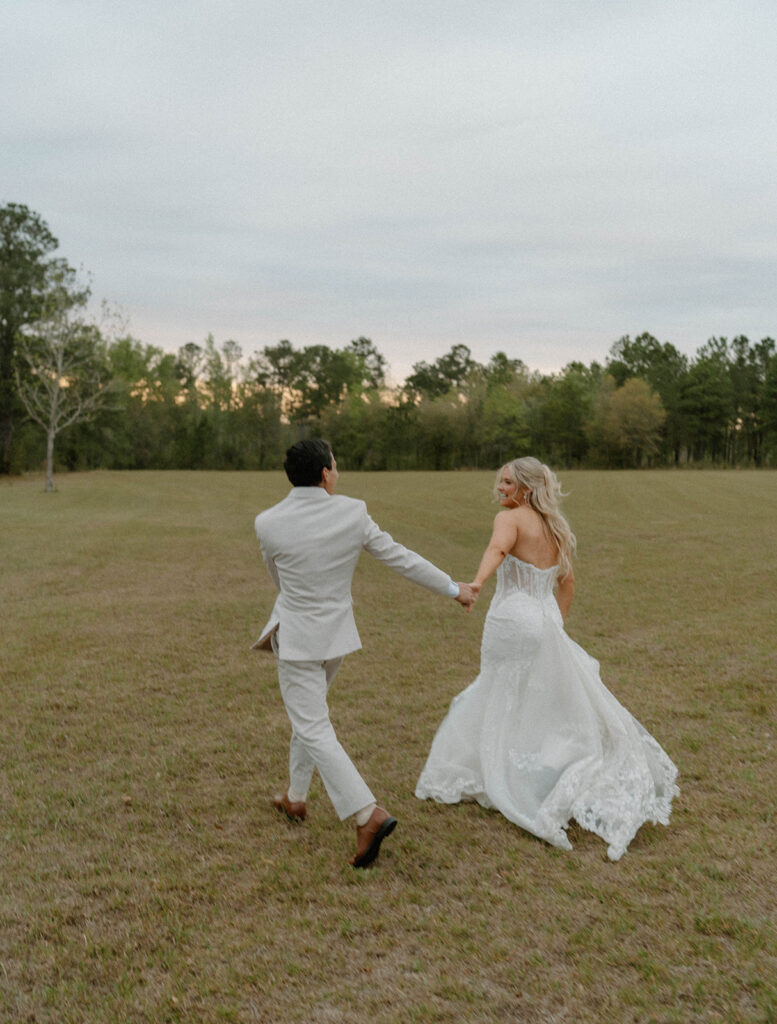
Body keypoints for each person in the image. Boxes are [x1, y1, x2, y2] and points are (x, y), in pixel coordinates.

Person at [415, 456, 678, 861]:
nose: (499, 488)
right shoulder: (556, 528)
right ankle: (540, 767)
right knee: (539, 697)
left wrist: (477, 585)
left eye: (506, 483)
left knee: (501, 690)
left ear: (525, 488)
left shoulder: (511, 520)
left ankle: (508, 776)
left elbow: (498, 549)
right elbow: (567, 583)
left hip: (511, 618)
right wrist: (556, 624)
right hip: (544, 620)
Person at [253, 439, 477, 868]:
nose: (338, 472)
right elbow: (401, 558)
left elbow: (276, 575)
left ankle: (365, 813)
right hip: (335, 637)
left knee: (312, 724)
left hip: (298, 637)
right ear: (324, 473)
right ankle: (296, 798)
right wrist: (455, 589)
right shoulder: (353, 512)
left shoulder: (267, 522)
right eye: (335, 466)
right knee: (311, 718)